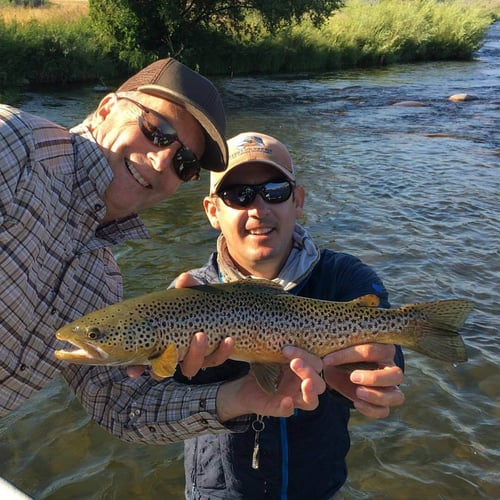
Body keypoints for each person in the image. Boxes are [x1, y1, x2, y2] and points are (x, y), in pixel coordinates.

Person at [171, 132, 406, 499]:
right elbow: (153, 401)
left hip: (316, 488)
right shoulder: (189, 296)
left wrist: (375, 375)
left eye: (275, 190)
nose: (259, 208)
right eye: (238, 195)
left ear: (297, 200)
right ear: (213, 211)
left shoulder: (345, 278)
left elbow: (388, 351)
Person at [0, 57, 232, 416]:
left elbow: (117, 404)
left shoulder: (103, 284)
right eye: (156, 130)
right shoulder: (14, 147)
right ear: (107, 108)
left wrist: (249, 398)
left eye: (184, 163)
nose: (160, 161)